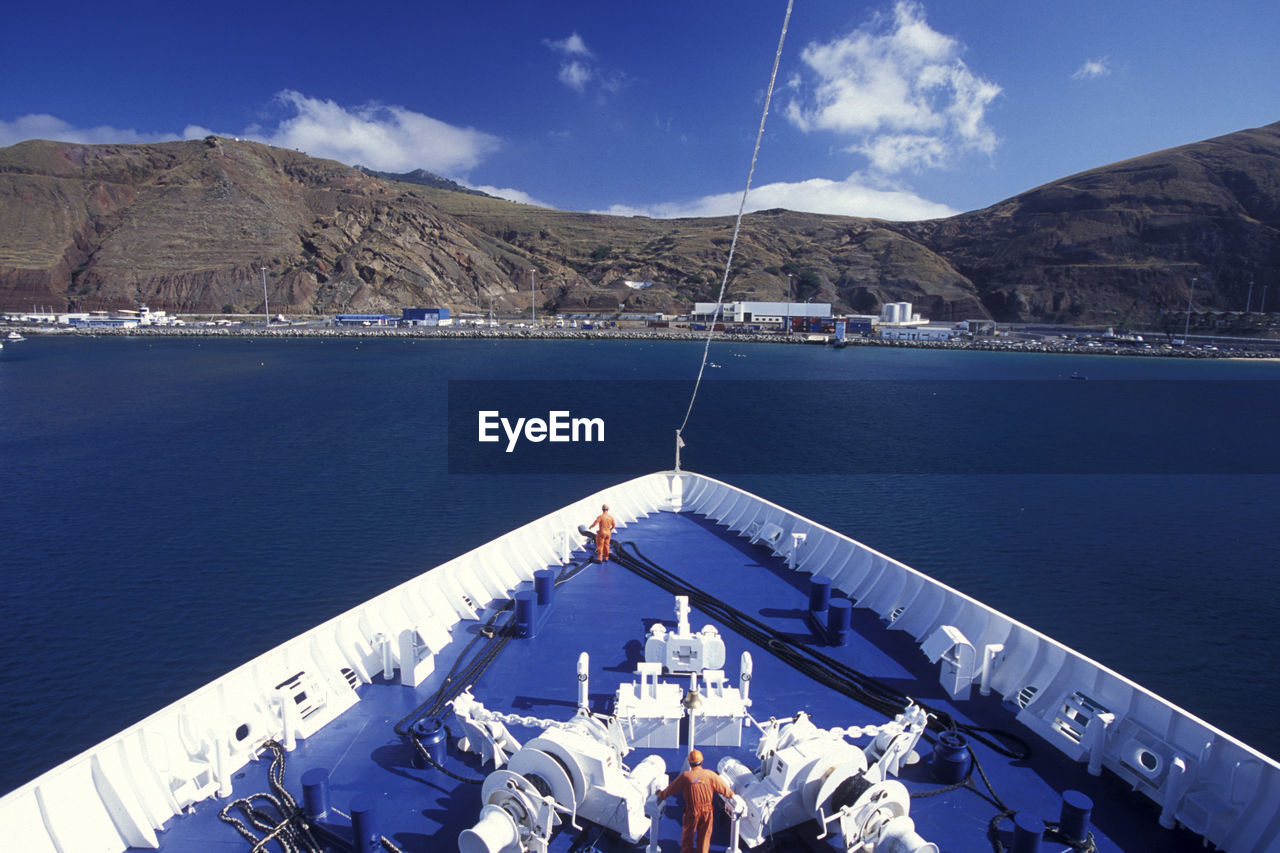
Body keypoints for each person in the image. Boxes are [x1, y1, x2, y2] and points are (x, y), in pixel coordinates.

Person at [656, 749, 732, 853]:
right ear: (702, 761)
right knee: (705, 835)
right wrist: (731, 795)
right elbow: (725, 789)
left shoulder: (686, 776)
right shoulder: (710, 775)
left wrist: (661, 794)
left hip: (692, 811)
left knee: (688, 834)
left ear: (690, 762)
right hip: (707, 811)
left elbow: (671, 789)